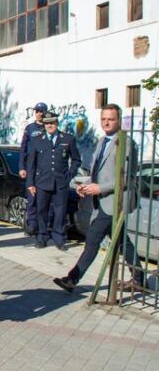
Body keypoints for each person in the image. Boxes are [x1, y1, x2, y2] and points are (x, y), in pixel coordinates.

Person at [53, 104, 143, 293]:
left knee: (93, 239)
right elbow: (97, 171)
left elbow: (126, 177)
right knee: (123, 242)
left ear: (118, 120)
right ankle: (139, 279)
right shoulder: (103, 141)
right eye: (103, 119)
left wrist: (99, 188)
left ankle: (72, 279)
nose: (106, 122)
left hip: (114, 201)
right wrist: (85, 186)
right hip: (102, 201)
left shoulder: (125, 142)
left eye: (110, 119)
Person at [26, 111, 81, 250]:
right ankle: (42, 237)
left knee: (60, 212)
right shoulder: (37, 140)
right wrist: (30, 183)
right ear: (44, 125)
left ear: (57, 123)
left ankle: (59, 238)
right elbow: (31, 164)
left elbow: (76, 160)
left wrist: (69, 175)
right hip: (42, 182)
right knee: (41, 211)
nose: (50, 125)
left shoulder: (68, 139)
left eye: (52, 123)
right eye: (47, 123)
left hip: (60, 182)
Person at [19, 102, 48, 235]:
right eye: (37, 111)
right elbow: (23, 148)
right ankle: (32, 225)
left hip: (45, 168)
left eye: (41, 111)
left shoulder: (49, 127)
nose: (39, 114)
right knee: (31, 198)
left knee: (44, 198)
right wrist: (22, 167)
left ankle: (44, 226)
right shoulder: (30, 128)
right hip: (31, 167)